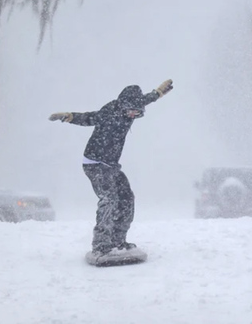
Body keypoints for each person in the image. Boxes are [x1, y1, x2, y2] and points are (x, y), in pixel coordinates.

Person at [49, 80, 173, 256]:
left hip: (112, 166)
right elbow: (89, 117)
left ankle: (117, 241)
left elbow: (146, 99)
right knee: (109, 199)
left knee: (126, 198)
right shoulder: (109, 112)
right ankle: (101, 246)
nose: (132, 115)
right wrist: (69, 116)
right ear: (124, 105)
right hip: (95, 164)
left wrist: (158, 93)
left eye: (137, 113)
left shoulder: (133, 108)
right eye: (131, 110)